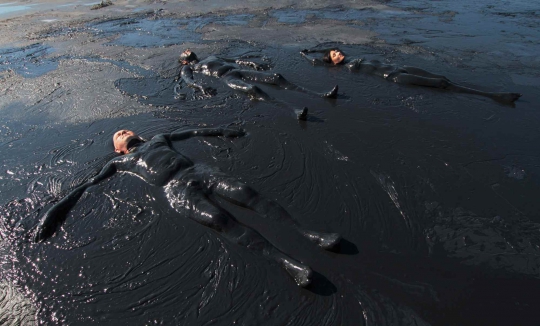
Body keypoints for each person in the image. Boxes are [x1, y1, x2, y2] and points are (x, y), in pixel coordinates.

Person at [34, 127, 342, 287]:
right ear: (117, 148)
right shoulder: (119, 163)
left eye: (125, 129)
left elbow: (192, 131)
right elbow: (85, 187)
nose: (124, 132)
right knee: (222, 221)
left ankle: (310, 234)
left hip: (199, 172)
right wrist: (54, 213)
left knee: (249, 195)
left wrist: (224, 131)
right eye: (119, 134)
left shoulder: (158, 138)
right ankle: (289, 264)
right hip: (176, 191)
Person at [300, 47, 522, 104]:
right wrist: (307, 55)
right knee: (441, 84)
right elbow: (318, 62)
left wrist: (316, 49)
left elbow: (325, 52)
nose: (338, 53)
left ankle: (494, 95)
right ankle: (494, 96)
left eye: (337, 51)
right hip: (394, 77)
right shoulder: (346, 68)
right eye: (334, 55)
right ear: (331, 62)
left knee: (442, 76)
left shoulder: (351, 59)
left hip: (400, 69)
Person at [177, 49, 339, 120]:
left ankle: (320, 95)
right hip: (227, 78)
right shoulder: (189, 67)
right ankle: (294, 110)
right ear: (184, 60)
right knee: (252, 89)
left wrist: (249, 63)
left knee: (276, 77)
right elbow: (188, 80)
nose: (188, 50)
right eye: (185, 52)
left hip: (236, 70)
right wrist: (200, 87)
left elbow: (233, 60)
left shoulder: (211, 57)